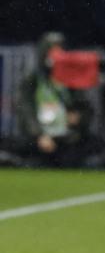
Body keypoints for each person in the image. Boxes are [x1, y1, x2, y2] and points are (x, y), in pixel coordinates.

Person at [15, 32, 94, 167]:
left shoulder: (71, 79)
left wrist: (78, 117)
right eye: (52, 51)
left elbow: (85, 106)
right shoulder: (33, 79)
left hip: (67, 137)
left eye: (60, 51)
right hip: (39, 138)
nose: (56, 55)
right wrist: (39, 135)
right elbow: (25, 110)